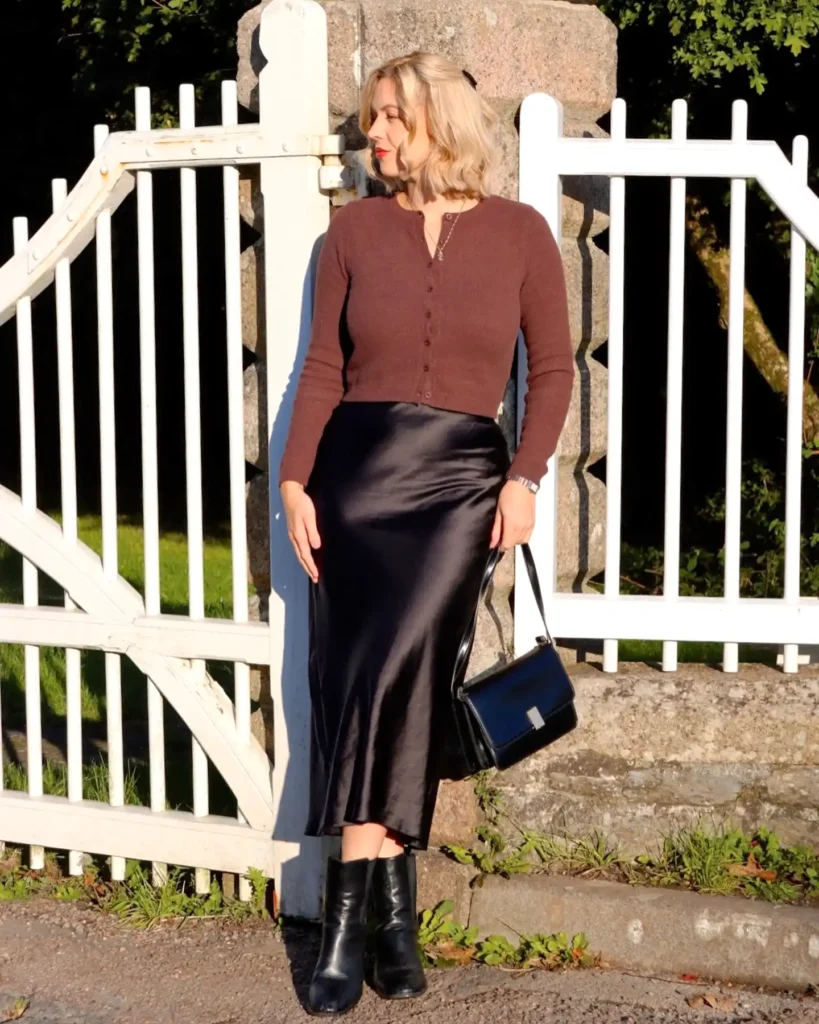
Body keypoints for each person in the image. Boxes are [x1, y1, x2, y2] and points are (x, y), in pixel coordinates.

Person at [279, 51, 574, 1016]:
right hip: (356, 480)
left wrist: (523, 478)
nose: (374, 138)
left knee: (404, 674)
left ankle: (345, 929)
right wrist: (292, 482)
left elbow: (555, 371)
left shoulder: (524, 233)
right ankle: (391, 921)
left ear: (438, 120)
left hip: (459, 484)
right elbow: (321, 367)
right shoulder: (353, 231)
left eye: (389, 120)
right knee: (372, 683)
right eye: (372, 121)